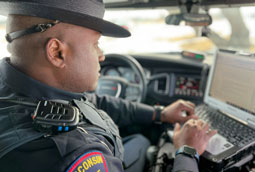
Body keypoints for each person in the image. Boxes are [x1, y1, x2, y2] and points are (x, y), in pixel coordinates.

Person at [0, 0, 216, 172]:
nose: (102, 55)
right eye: (95, 44)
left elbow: (92, 102)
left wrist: (159, 114)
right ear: (57, 52)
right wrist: (187, 152)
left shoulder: (24, 91)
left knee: (141, 141)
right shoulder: (76, 156)